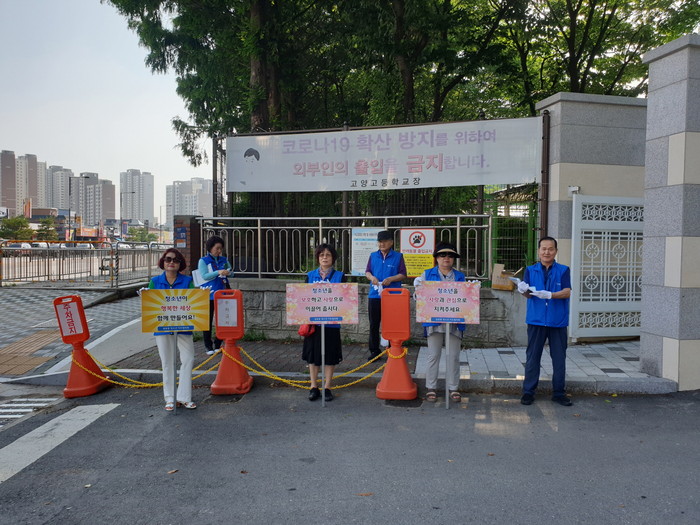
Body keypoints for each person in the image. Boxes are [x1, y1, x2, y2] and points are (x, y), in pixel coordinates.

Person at [517, 236, 573, 407]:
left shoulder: (563, 270)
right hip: (536, 320)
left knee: (559, 358)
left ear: (555, 251)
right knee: (533, 357)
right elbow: (528, 294)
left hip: (558, 321)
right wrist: (522, 290)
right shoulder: (530, 270)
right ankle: (528, 392)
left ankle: (559, 393)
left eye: (550, 249)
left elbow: (567, 292)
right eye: (543, 249)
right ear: (538, 251)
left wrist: (550, 295)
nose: (546, 252)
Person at [414, 242, 466, 403]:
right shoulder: (426, 275)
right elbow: (419, 299)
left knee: (453, 356)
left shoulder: (460, 276)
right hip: (433, 321)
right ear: (436, 258)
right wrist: (418, 290)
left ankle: (453, 387)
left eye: (450, 255)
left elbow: (465, 299)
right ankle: (431, 387)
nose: (446, 258)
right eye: (442, 255)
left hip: (455, 321)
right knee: (433, 355)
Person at [148, 248, 197, 411]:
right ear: (163, 261)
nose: (171, 262)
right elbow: (149, 305)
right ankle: (170, 398)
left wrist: (202, 294)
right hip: (162, 327)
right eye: (168, 259)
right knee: (167, 362)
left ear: (180, 264)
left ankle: (184, 397)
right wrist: (144, 296)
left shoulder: (188, 281)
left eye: (176, 260)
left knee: (188, 359)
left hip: (184, 325)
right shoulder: (154, 281)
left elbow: (194, 301)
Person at [302, 244, 347, 402]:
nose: (325, 257)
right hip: (313, 323)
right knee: (313, 356)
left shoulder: (340, 276)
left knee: (330, 355)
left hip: (332, 323)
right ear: (317, 258)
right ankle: (313, 386)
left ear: (333, 258)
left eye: (328, 255)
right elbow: (303, 299)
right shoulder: (310, 276)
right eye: (321, 255)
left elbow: (345, 299)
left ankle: (327, 387)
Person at [365, 230, 407, 361]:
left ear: (391, 242)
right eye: (379, 242)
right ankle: (374, 351)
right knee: (373, 324)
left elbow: (403, 274)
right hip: (374, 295)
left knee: (392, 323)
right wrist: (372, 278)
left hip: (392, 295)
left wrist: (392, 279)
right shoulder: (373, 256)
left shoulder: (398, 256)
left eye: (384, 241)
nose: (381, 244)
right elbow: (367, 272)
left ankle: (392, 348)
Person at [198, 235, 233, 355]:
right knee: (207, 320)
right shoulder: (203, 260)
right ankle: (208, 346)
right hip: (209, 294)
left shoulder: (223, 259)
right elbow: (204, 276)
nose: (219, 251)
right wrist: (218, 272)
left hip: (223, 293)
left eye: (221, 248)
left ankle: (218, 343)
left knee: (223, 319)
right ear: (210, 248)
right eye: (217, 248)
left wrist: (228, 272)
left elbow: (231, 272)